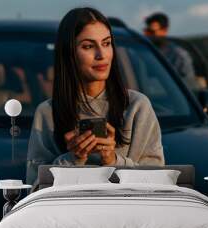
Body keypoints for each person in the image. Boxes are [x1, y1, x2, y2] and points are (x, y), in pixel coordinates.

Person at [26, 7, 165, 185]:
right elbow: (34, 190)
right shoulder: (48, 113)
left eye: (106, 43)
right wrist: (73, 159)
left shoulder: (137, 106)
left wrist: (112, 160)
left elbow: (158, 184)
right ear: (69, 53)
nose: (101, 55)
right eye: (88, 46)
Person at [144, 12, 199, 91]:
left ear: (164, 30)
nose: (148, 35)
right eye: (147, 31)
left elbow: (188, 88)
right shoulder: (141, 53)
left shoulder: (179, 56)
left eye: (152, 31)